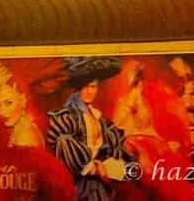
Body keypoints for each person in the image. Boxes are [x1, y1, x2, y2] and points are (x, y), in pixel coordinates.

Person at [46, 57, 135, 201]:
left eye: (93, 87)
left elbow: (115, 149)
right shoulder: (66, 117)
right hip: (77, 186)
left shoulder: (101, 120)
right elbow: (60, 145)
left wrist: (108, 167)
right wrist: (91, 166)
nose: (89, 92)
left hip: (101, 186)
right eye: (85, 87)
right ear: (78, 88)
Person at [0, 60, 45, 148]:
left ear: (22, 100)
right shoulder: (18, 128)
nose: (2, 112)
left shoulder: (25, 138)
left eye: (8, 103)